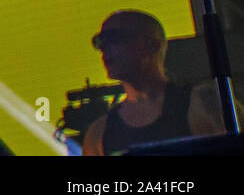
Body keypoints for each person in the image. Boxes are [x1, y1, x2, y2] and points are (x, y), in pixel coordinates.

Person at [82, 9, 225, 155]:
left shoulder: (203, 103)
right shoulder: (100, 132)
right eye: (100, 41)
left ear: (151, 45)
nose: (104, 48)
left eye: (114, 38)